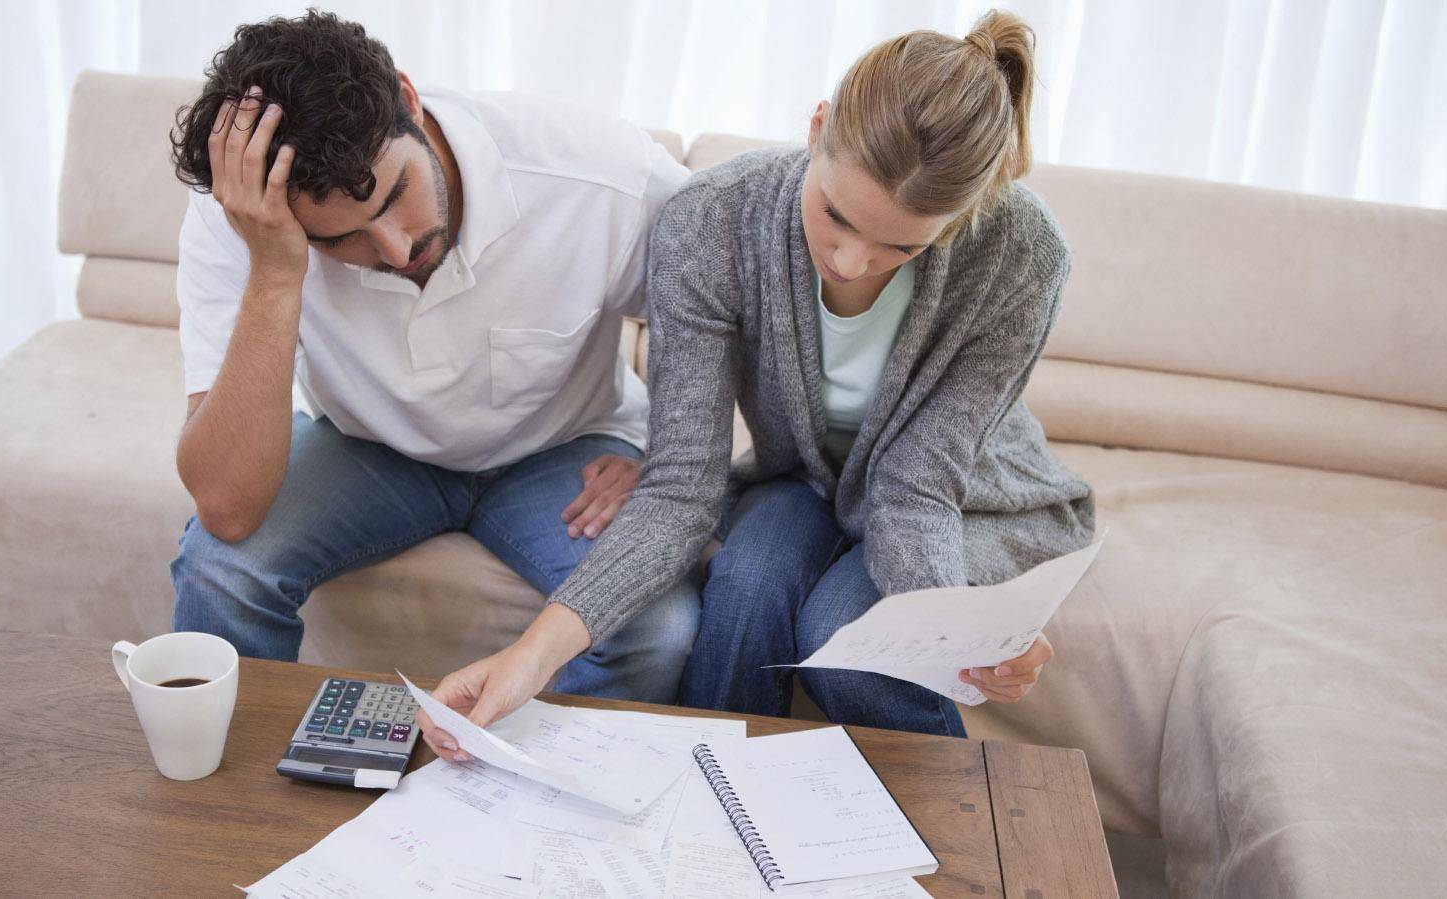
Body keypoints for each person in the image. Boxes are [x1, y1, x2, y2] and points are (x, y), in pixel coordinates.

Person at [419, 10, 1094, 756]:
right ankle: (713, 824)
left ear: (963, 213)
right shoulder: (709, 222)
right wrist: (529, 657)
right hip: (803, 481)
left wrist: (955, 634)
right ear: (816, 128)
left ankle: (968, 844)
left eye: (899, 246)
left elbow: (916, 484)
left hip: (964, 501)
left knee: (843, 635)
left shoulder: (1022, 251)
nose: (848, 259)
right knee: (743, 588)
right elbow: (681, 489)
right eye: (834, 213)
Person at [165, 10, 699, 703]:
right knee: (220, 569)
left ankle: (552, 804)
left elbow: (741, 315)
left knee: (655, 625)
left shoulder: (601, 174)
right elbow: (227, 508)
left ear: (410, 101)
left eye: (395, 194)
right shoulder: (241, 215)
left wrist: (669, 459)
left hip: (562, 448)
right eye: (340, 239)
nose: (394, 248)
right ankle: (245, 807)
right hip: (369, 449)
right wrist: (275, 269)